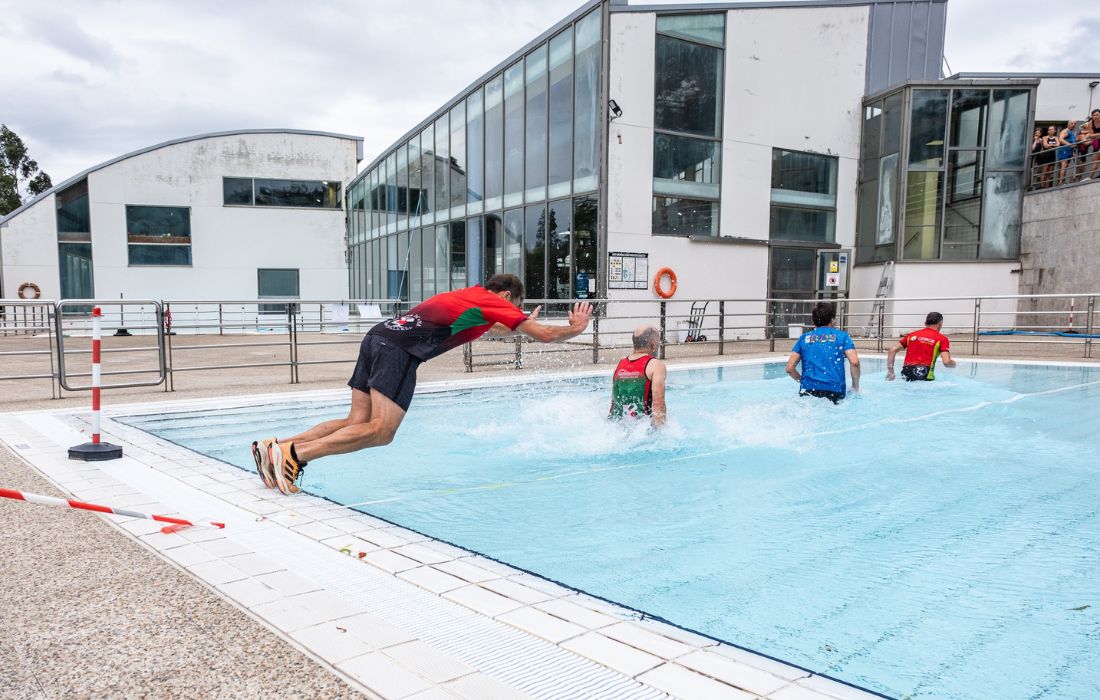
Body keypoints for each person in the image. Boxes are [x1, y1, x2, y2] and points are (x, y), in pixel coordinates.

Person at [252, 274, 592, 495]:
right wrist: (574, 330)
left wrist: (518, 323)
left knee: (355, 422)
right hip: (399, 351)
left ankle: (275, 446)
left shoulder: (473, 299)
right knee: (381, 431)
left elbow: (498, 328)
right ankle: (294, 455)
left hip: (378, 338)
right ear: (505, 295)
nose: (512, 313)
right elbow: (546, 335)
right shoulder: (492, 303)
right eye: (513, 307)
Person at [785, 302, 860, 404]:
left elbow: (789, 368)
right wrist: (855, 386)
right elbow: (854, 362)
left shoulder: (803, 338)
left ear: (814, 320)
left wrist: (803, 381)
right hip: (834, 391)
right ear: (832, 319)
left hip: (808, 391)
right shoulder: (842, 336)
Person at [608, 325, 667, 428]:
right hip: (642, 429)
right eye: (658, 341)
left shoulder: (619, 365)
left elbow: (614, 404)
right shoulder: (655, 365)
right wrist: (661, 432)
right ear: (653, 343)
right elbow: (658, 404)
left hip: (617, 427)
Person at [885, 311, 957, 382]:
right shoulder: (942, 339)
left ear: (925, 323)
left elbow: (892, 350)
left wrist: (890, 371)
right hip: (925, 373)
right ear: (940, 323)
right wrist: (953, 364)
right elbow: (947, 362)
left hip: (907, 371)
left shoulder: (912, 335)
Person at [1056, 120, 1079, 185]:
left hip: (1070, 151)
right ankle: (1060, 182)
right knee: (1063, 166)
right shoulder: (1065, 131)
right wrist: (1070, 144)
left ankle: (1062, 181)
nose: (1073, 125)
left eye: (1074, 123)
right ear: (1068, 124)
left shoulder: (1072, 132)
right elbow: (1060, 139)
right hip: (1064, 150)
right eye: (1072, 123)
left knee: (1065, 166)